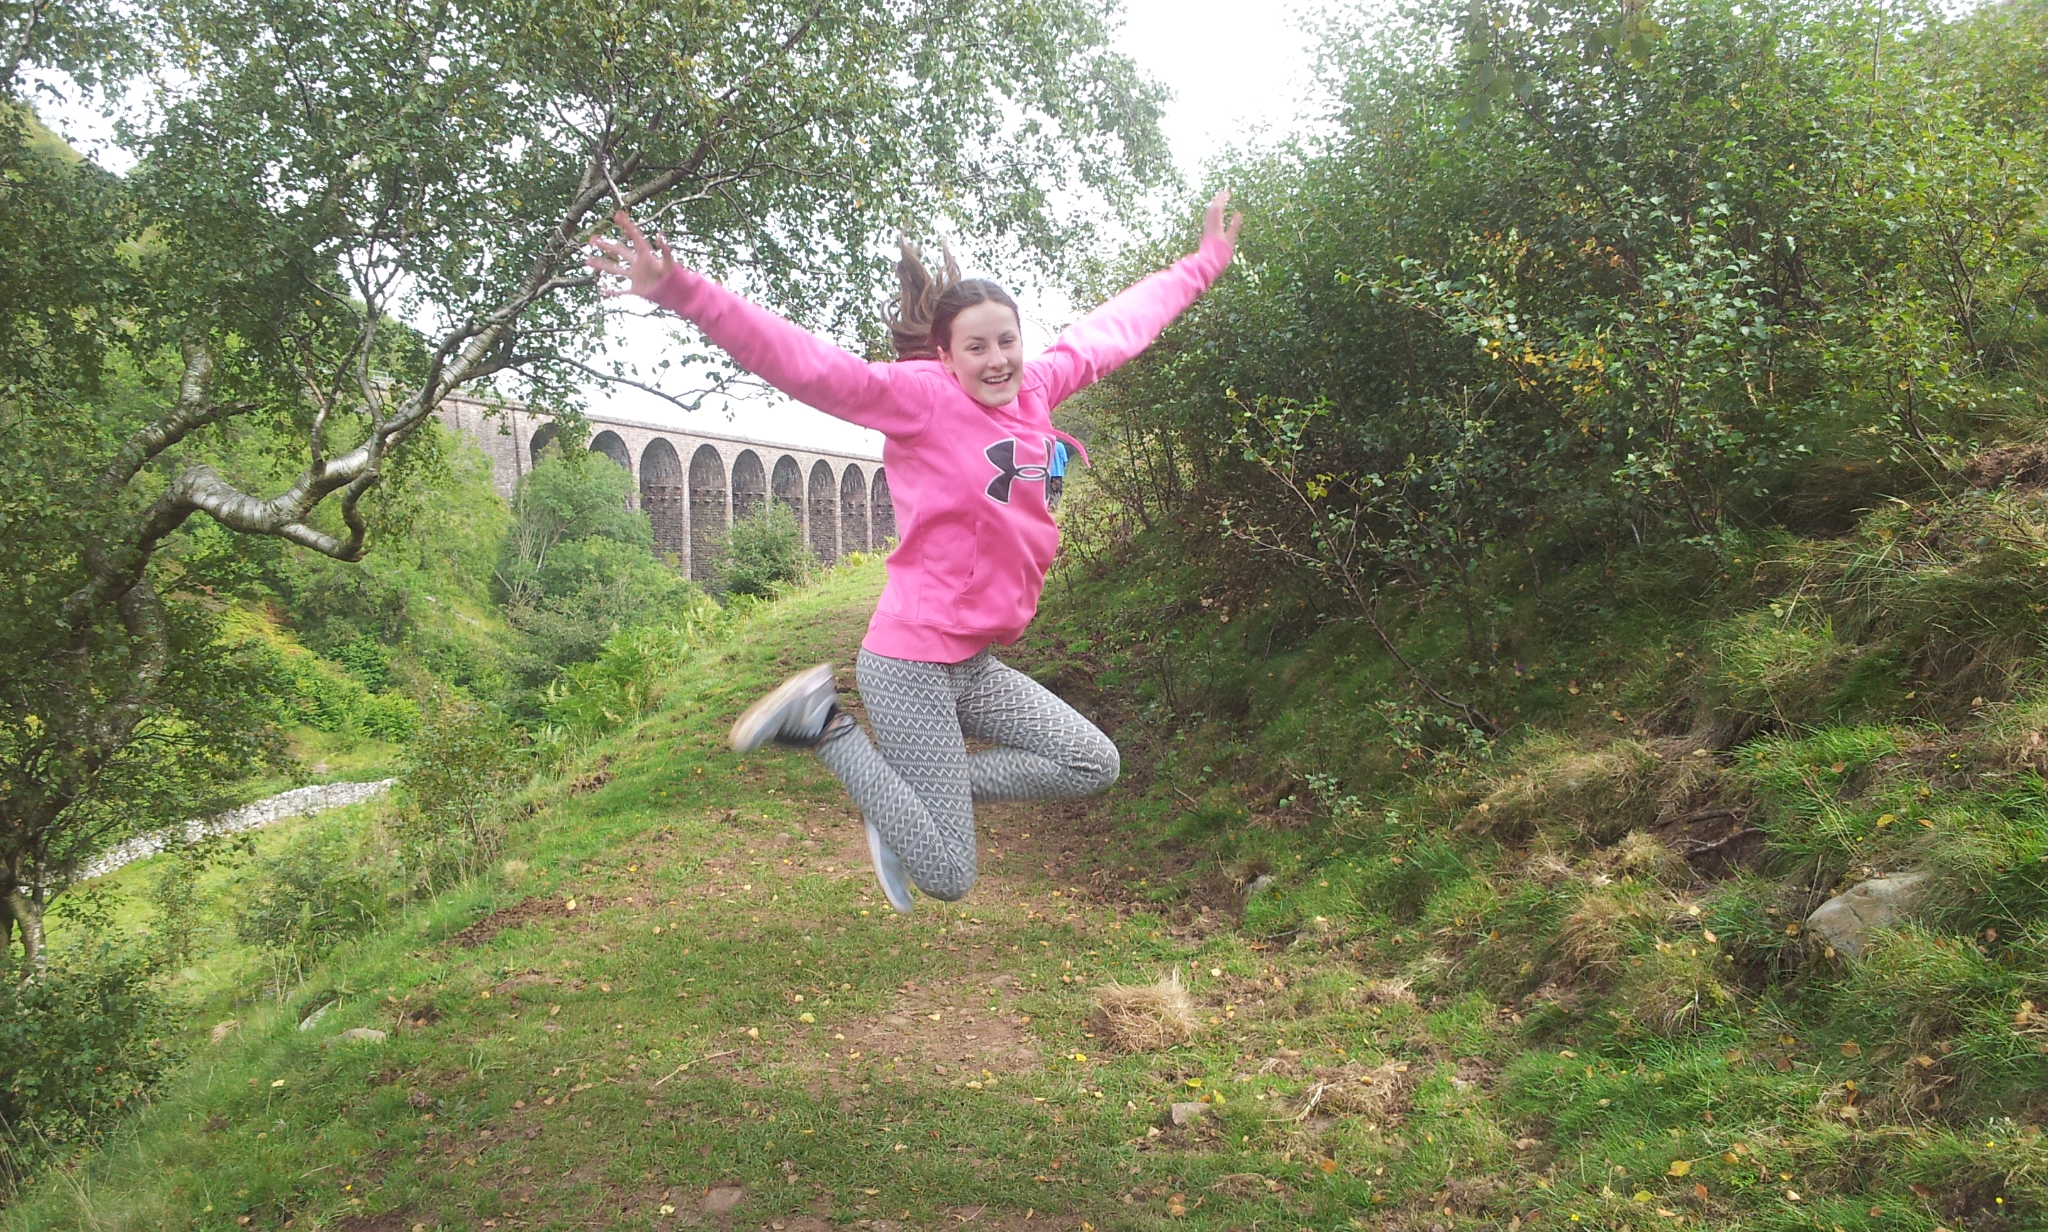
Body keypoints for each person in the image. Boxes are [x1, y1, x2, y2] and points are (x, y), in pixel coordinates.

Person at [587, 192, 1243, 913]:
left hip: (975, 662)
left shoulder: (1040, 388)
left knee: (1092, 762)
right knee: (950, 875)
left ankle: (900, 804)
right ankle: (821, 723)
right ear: (945, 354)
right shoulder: (916, 401)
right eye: (976, 346)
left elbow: (1121, 327)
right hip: (912, 663)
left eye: (1007, 341)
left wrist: (1204, 264)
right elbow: (805, 365)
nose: (997, 360)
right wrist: (682, 290)